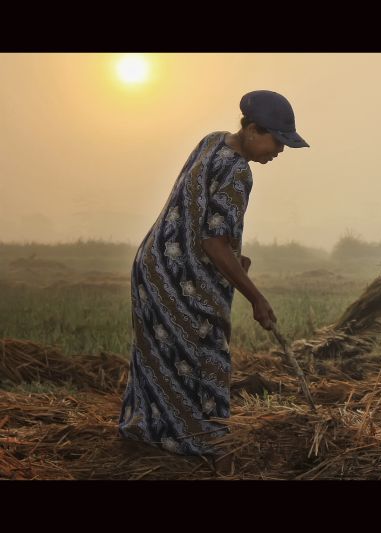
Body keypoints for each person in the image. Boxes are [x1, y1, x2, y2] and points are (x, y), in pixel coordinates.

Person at [118, 90, 310, 477]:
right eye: (277, 140)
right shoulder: (240, 171)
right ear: (254, 130)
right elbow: (211, 240)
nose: (279, 151)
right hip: (181, 277)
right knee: (208, 356)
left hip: (153, 264)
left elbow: (196, 214)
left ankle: (147, 431)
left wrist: (235, 259)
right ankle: (219, 451)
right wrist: (255, 296)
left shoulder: (213, 140)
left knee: (159, 354)